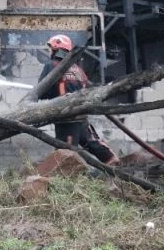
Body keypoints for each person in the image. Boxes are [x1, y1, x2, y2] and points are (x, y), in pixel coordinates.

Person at [39, 34, 120, 166]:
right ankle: (112, 160)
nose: (49, 51)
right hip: (81, 115)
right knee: (91, 142)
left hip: (65, 117)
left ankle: (67, 180)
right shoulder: (77, 69)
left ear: (56, 49)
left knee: (66, 152)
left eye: (50, 48)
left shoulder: (51, 66)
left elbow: (41, 91)